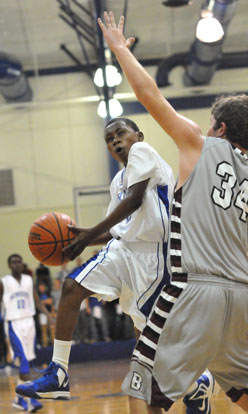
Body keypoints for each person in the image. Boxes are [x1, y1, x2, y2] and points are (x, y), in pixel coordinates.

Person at [95, 11, 247, 414]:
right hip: (243, 296)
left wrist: (119, 52)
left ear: (221, 130)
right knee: (241, 390)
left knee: (141, 389)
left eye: (211, 123)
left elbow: (150, 96)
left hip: (194, 289)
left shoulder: (201, 146)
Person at [16, 117, 213, 414]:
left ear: (139, 135)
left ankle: (198, 382)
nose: (116, 141)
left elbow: (134, 202)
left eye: (121, 133)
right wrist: (84, 239)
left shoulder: (144, 152)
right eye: (109, 139)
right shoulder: (117, 181)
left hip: (154, 259)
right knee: (71, 287)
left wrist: (92, 232)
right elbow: (120, 226)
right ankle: (58, 373)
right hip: (122, 251)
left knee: (150, 354)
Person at [0, 254, 53, 412]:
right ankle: (31, 401)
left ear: (23, 264)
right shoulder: (4, 282)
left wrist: (48, 314)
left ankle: (19, 399)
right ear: (9, 265)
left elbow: (36, 300)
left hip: (29, 322)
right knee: (23, 361)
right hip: (13, 324)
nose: (17, 264)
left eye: (19, 262)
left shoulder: (29, 280)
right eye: (13, 262)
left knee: (26, 363)